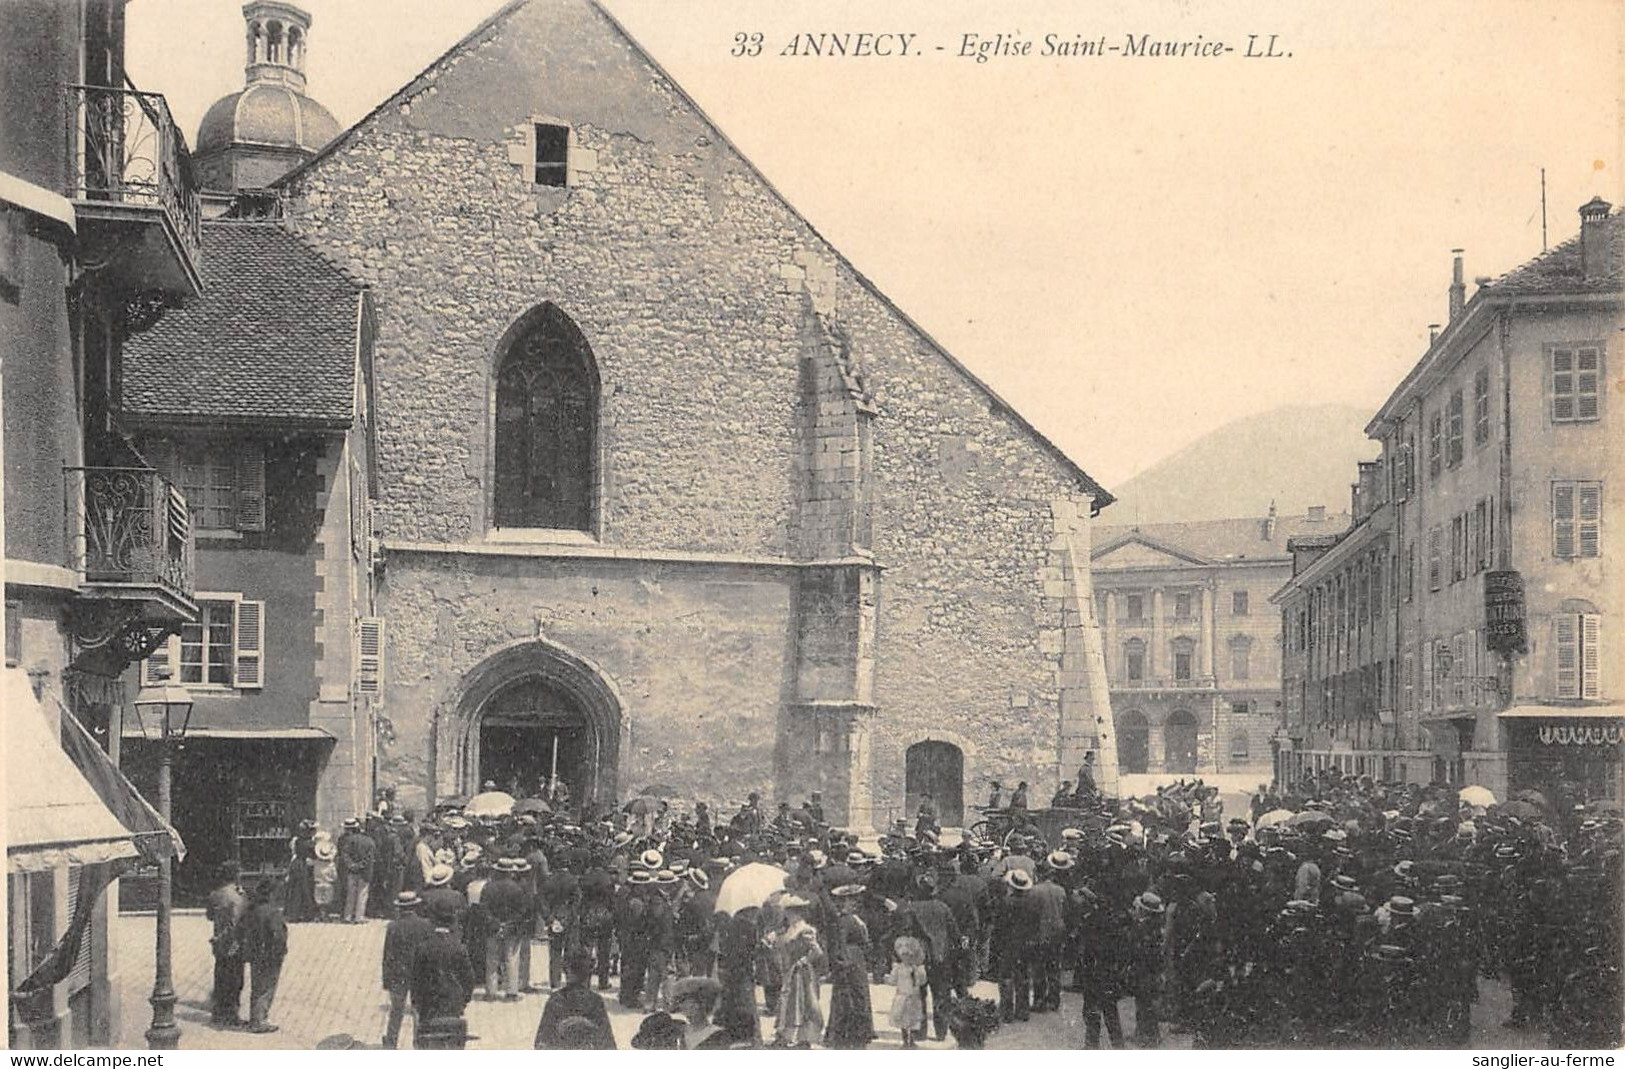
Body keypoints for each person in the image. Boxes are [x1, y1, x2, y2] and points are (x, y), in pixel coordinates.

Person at [411, 897, 475, 1049]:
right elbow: (469, 979)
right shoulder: (459, 948)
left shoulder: (423, 948)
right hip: (453, 1005)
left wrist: (418, 1004)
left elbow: (416, 981)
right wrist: (463, 1000)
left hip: (429, 1007)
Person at [824, 885, 875, 1049]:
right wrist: (843, 963)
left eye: (856, 899)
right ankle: (849, 1034)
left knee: (859, 996)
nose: (855, 902)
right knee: (850, 996)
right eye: (851, 899)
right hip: (850, 962)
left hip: (858, 961)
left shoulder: (854, 918)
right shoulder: (844, 920)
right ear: (844, 901)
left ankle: (858, 1033)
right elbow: (840, 943)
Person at [534, 948, 617, 1049]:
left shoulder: (556, 1000)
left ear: (566, 971)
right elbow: (609, 1045)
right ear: (589, 973)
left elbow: (541, 1043)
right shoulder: (595, 1001)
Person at [771, 897, 826, 1048]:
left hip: (801, 972)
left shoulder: (805, 929)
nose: (788, 914)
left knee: (802, 1002)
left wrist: (804, 961)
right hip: (790, 971)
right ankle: (786, 1035)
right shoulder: (789, 929)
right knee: (789, 1002)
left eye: (792, 911)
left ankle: (803, 1037)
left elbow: (817, 951)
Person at [381, 891, 433, 1048]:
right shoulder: (426, 925)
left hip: (398, 973)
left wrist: (386, 979)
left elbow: (388, 954)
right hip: (419, 972)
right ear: (415, 906)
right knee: (419, 1010)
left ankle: (391, 1041)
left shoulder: (393, 927)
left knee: (396, 1011)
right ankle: (420, 1042)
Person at [238, 878, 288, 1034]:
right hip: (270, 954)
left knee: (257, 986)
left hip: (254, 953)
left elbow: (241, 929)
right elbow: (278, 935)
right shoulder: (272, 912)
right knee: (266, 988)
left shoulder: (251, 909)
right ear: (271, 894)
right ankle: (259, 1021)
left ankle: (255, 1018)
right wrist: (281, 950)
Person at [481, 857, 533, 1000]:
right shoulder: (517, 889)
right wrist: (509, 924)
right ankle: (511, 992)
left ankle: (491, 992)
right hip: (512, 929)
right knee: (512, 959)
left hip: (492, 928)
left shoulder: (488, 887)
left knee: (492, 960)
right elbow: (521, 911)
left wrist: (495, 923)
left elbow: (484, 908)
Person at [206, 861, 247, 1027]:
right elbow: (238, 921)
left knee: (220, 976)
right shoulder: (237, 897)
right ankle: (231, 1015)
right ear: (235, 876)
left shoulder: (215, 895)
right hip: (234, 943)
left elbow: (209, 916)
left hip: (218, 942)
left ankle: (218, 1012)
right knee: (235, 979)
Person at [889, 934, 928, 1048]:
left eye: (910, 956)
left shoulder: (916, 969)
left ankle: (911, 1039)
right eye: (904, 955)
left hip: (913, 997)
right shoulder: (898, 968)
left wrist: (920, 972)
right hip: (902, 996)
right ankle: (905, 1040)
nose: (907, 958)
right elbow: (892, 980)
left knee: (912, 1020)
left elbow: (922, 981)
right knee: (903, 1020)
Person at [671, 976, 731, 1049]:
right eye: (682, 1001)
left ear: (703, 1004)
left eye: (693, 1003)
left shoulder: (718, 1035)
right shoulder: (680, 1033)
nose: (684, 1006)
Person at [338, 817, 377, 923]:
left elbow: (344, 854)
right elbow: (370, 857)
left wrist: (352, 865)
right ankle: (359, 917)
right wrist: (361, 865)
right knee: (362, 894)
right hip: (364, 872)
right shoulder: (369, 841)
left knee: (351, 894)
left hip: (351, 871)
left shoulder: (347, 840)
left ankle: (348, 916)